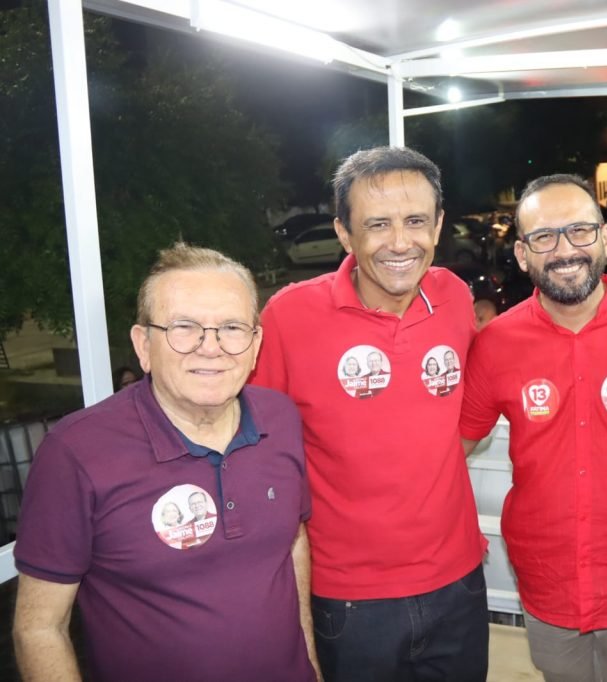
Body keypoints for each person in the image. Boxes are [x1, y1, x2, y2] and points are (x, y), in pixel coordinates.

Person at [13, 243, 319, 682]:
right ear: (143, 345)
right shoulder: (76, 453)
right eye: (184, 327)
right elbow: (40, 628)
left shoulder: (281, 418)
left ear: (255, 345)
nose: (210, 348)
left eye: (232, 328)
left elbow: (292, 543)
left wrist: (311, 667)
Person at [251, 146, 488, 682]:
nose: (400, 242)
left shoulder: (452, 297)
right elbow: (254, 446)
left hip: (458, 582)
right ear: (344, 233)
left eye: (415, 221)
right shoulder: (290, 316)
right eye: (377, 224)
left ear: (439, 225)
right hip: (350, 601)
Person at [461, 174, 607, 682]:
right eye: (544, 236)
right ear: (523, 255)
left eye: (580, 231)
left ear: (605, 238)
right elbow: (454, 447)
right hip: (546, 580)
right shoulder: (496, 343)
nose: (565, 250)